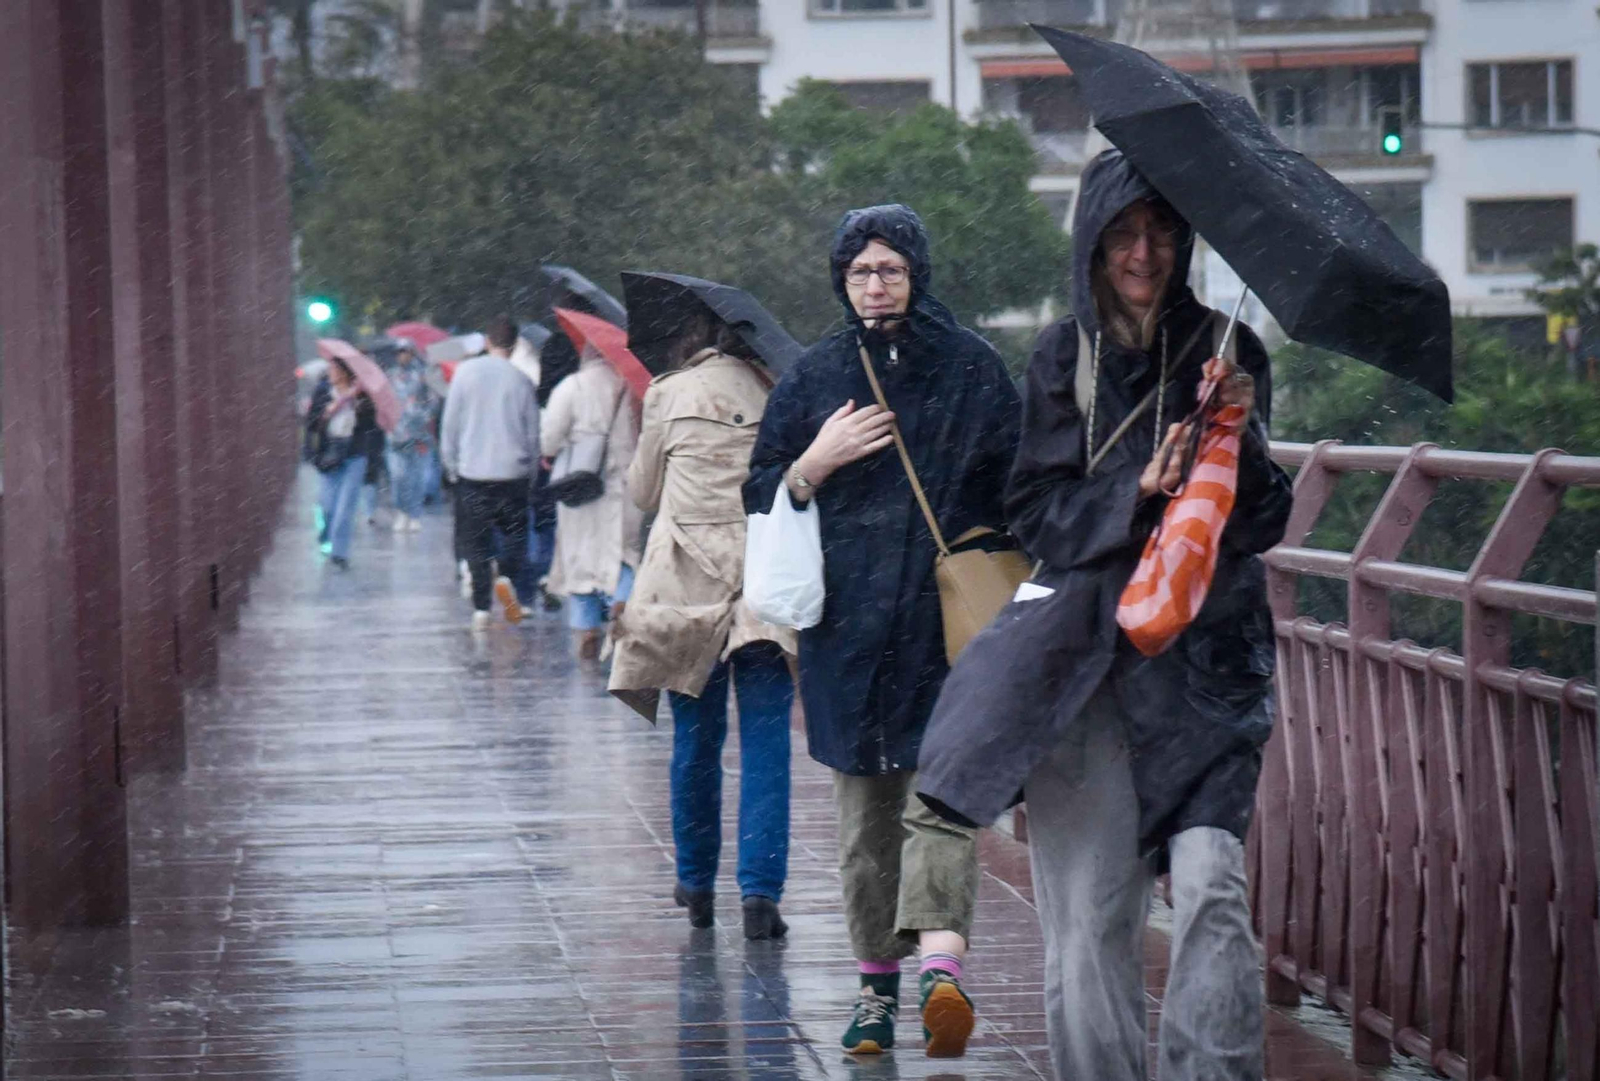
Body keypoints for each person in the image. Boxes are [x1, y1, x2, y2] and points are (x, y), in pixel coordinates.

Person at [920, 149, 1294, 1081]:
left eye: (1161, 229)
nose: (1144, 251)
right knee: (1090, 921)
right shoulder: (1061, 357)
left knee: (1212, 888)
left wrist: (1238, 440)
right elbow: (1037, 511)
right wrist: (1139, 486)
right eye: (1124, 232)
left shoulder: (1228, 349)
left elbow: (1260, 522)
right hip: (1083, 665)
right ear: (1092, 244)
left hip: (1205, 664)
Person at [743, 204, 1021, 1058]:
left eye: (890, 270)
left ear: (917, 273)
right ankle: (875, 995)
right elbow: (758, 491)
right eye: (861, 271)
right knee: (866, 825)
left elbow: (1021, 484)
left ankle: (941, 969)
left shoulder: (972, 368)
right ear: (841, 278)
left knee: (941, 800)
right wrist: (810, 465)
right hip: (849, 635)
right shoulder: (816, 375)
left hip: (946, 625)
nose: (875, 285)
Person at [609, 312, 799, 942]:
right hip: (762, 586)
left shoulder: (667, 392)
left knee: (696, 740)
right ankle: (760, 893)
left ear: (686, 339)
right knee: (768, 741)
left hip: (685, 590)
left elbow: (642, 494)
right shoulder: (777, 389)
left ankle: (695, 882)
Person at [541, 340, 642, 660]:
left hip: (582, 484)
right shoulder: (633, 388)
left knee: (581, 556)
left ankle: (587, 629)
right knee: (623, 554)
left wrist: (550, 454)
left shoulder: (572, 386)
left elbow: (550, 436)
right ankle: (622, 605)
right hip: (625, 485)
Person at [440, 316, 541, 632]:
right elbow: (533, 434)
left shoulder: (465, 374)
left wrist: (451, 466)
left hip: (473, 472)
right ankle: (508, 576)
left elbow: (450, 425)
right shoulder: (521, 380)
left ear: (487, 341)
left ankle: (481, 606)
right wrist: (532, 470)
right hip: (512, 473)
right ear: (514, 345)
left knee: (475, 542)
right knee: (514, 535)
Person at [306, 357, 382, 569]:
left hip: (354, 454)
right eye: (330, 368)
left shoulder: (361, 394)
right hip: (329, 452)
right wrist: (327, 412)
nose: (330, 372)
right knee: (328, 506)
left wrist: (358, 407)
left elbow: (370, 424)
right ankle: (326, 536)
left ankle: (340, 553)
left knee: (345, 507)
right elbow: (310, 423)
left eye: (335, 368)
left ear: (346, 372)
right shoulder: (323, 392)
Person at [385, 341, 438, 533]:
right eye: (399, 352)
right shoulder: (389, 376)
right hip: (395, 435)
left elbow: (433, 399)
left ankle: (414, 514)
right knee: (398, 476)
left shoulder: (423, 375)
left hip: (418, 435)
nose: (403, 355)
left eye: (406, 351)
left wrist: (423, 416)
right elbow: (383, 401)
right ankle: (401, 511)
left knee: (417, 477)